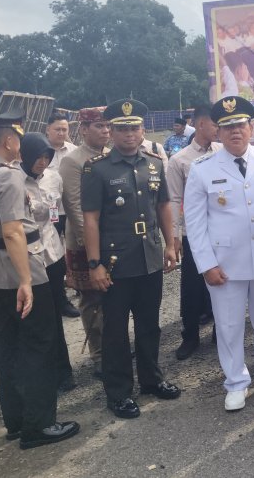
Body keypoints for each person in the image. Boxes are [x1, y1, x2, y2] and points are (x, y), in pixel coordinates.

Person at [0, 109, 80, 449]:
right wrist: (27, 281)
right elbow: (14, 231)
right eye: (16, 138)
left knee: (9, 346)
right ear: (9, 141)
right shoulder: (9, 177)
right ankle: (39, 425)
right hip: (22, 268)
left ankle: (15, 421)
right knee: (38, 345)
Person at [183, 96, 254, 411]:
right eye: (227, 127)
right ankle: (236, 382)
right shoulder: (202, 169)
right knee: (228, 326)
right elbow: (195, 223)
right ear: (217, 132)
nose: (235, 132)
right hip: (225, 263)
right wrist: (206, 265)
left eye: (240, 125)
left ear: (252, 127)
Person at [81, 99, 180, 419]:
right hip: (115, 262)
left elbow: (164, 205)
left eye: (134, 128)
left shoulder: (153, 163)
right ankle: (119, 392)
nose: (129, 135)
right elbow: (91, 219)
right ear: (111, 131)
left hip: (149, 256)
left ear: (143, 130)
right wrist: (94, 264)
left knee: (150, 325)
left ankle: (152, 380)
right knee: (115, 331)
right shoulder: (97, 168)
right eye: (122, 129)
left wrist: (169, 244)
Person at [19, 133, 76, 394]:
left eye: (46, 157)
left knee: (54, 317)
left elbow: (60, 216)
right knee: (35, 321)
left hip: (53, 253)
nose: (42, 162)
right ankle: (38, 375)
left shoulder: (54, 177)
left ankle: (63, 371)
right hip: (28, 258)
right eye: (37, 157)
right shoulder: (14, 181)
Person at [167, 104, 221, 360]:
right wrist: (174, 237)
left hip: (221, 233)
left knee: (222, 283)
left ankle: (221, 333)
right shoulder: (180, 160)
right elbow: (174, 200)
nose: (219, 129)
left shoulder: (222, 152)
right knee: (191, 286)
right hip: (193, 234)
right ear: (201, 125)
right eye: (214, 124)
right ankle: (189, 336)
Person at [60, 107, 110, 376]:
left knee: (113, 295)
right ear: (83, 129)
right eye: (99, 126)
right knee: (91, 299)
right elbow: (75, 207)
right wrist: (92, 247)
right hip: (84, 242)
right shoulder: (73, 160)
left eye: (107, 126)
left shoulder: (110, 156)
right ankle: (99, 354)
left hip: (111, 238)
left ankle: (114, 344)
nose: (105, 131)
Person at [45, 111, 79, 318]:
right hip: (52, 213)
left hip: (73, 210)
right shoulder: (39, 153)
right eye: (57, 129)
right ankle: (59, 296)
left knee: (76, 248)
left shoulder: (74, 152)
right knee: (55, 254)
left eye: (64, 129)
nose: (61, 132)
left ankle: (81, 286)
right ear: (47, 130)